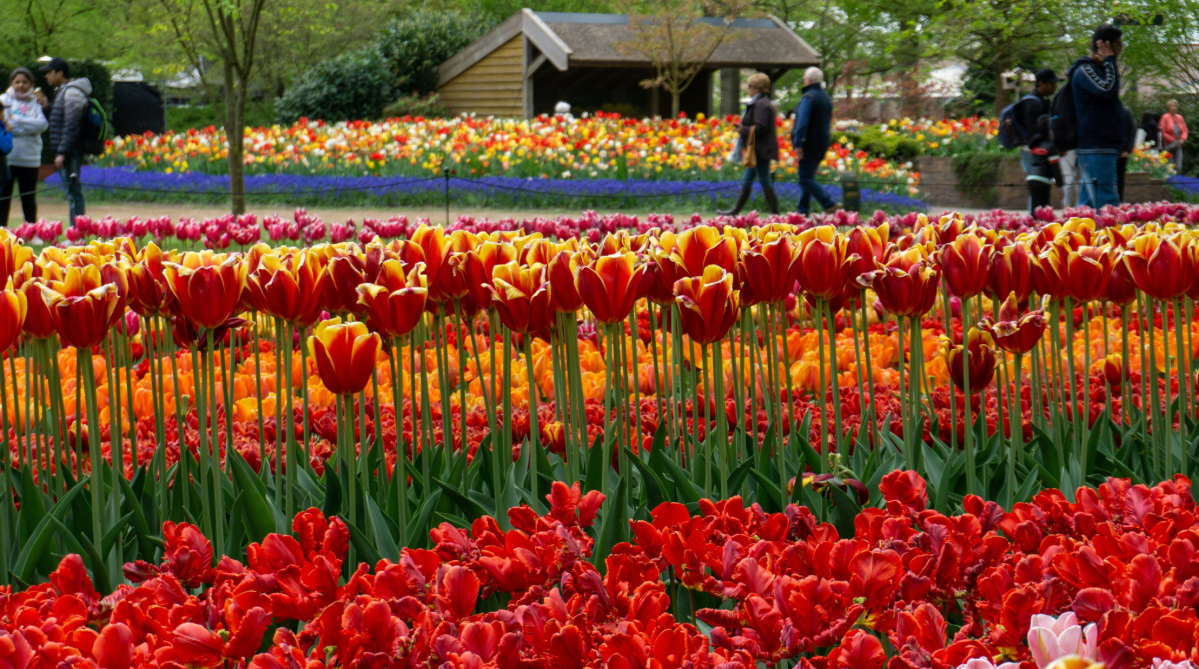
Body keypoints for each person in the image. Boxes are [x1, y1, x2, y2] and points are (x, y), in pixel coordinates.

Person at [1069, 24, 1124, 210]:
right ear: (1105, 45)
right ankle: (1108, 238)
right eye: (1118, 45)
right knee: (1105, 201)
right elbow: (1108, 89)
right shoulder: (1085, 70)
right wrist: (1110, 60)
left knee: (1089, 201)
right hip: (1096, 145)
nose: (1120, 49)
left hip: (1101, 145)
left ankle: (1082, 236)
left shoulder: (1098, 69)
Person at [719, 73, 779, 215]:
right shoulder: (759, 102)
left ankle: (776, 214)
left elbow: (761, 126)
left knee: (765, 181)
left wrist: (743, 129)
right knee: (747, 180)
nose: (748, 88)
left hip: (760, 151)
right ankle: (735, 211)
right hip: (756, 150)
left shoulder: (761, 104)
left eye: (750, 86)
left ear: (757, 88)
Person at [41, 57, 91, 225]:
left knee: (74, 192)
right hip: (68, 150)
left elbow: (71, 125)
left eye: (49, 72)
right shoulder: (63, 91)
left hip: (70, 152)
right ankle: (76, 230)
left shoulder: (72, 92)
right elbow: (60, 122)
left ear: (60, 73)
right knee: (72, 192)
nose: (46, 76)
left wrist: (62, 153)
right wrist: (47, 108)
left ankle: (77, 231)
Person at [790, 66, 841, 214]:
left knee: (805, 178)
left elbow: (802, 121)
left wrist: (798, 142)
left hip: (809, 143)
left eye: (804, 78)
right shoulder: (826, 97)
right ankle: (802, 211)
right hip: (823, 142)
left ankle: (828, 202)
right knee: (808, 176)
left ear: (808, 80)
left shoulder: (809, 97)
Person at [1, 68, 48, 225]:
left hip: (30, 158)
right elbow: (4, 121)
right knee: (4, 197)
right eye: (17, 82)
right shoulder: (3, 100)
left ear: (31, 84)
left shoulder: (37, 102)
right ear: (11, 83)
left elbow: (41, 125)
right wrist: (29, 125)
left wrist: (17, 121)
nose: (21, 85)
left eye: (25, 82)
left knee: (28, 197)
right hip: (8, 158)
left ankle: (31, 230)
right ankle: (2, 231)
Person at [1013, 68, 1061, 213]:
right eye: (1052, 83)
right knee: (1037, 189)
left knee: (1040, 190)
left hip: (1040, 151)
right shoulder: (1032, 103)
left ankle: (1037, 221)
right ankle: (1033, 224)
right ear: (1041, 84)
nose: (1054, 86)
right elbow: (1032, 133)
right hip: (1032, 152)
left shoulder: (1042, 101)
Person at [1160, 99, 1188, 173]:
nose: (1174, 108)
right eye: (1172, 106)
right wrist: (1172, 140)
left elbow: (1185, 130)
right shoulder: (1165, 117)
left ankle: (1177, 182)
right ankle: (1170, 182)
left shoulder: (1180, 117)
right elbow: (1162, 131)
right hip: (1168, 145)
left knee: (1178, 166)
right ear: (1168, 108)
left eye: (1175, 106)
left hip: (1178, 144)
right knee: (1170, 167)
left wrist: (1182, 139)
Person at [1117, 105, 1136, 202]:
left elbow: (1132, 131)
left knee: (1120, 179)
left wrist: (1128, 150)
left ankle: (1119, 203)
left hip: (1122, 152)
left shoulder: (1125, 111)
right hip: (1109, 151)